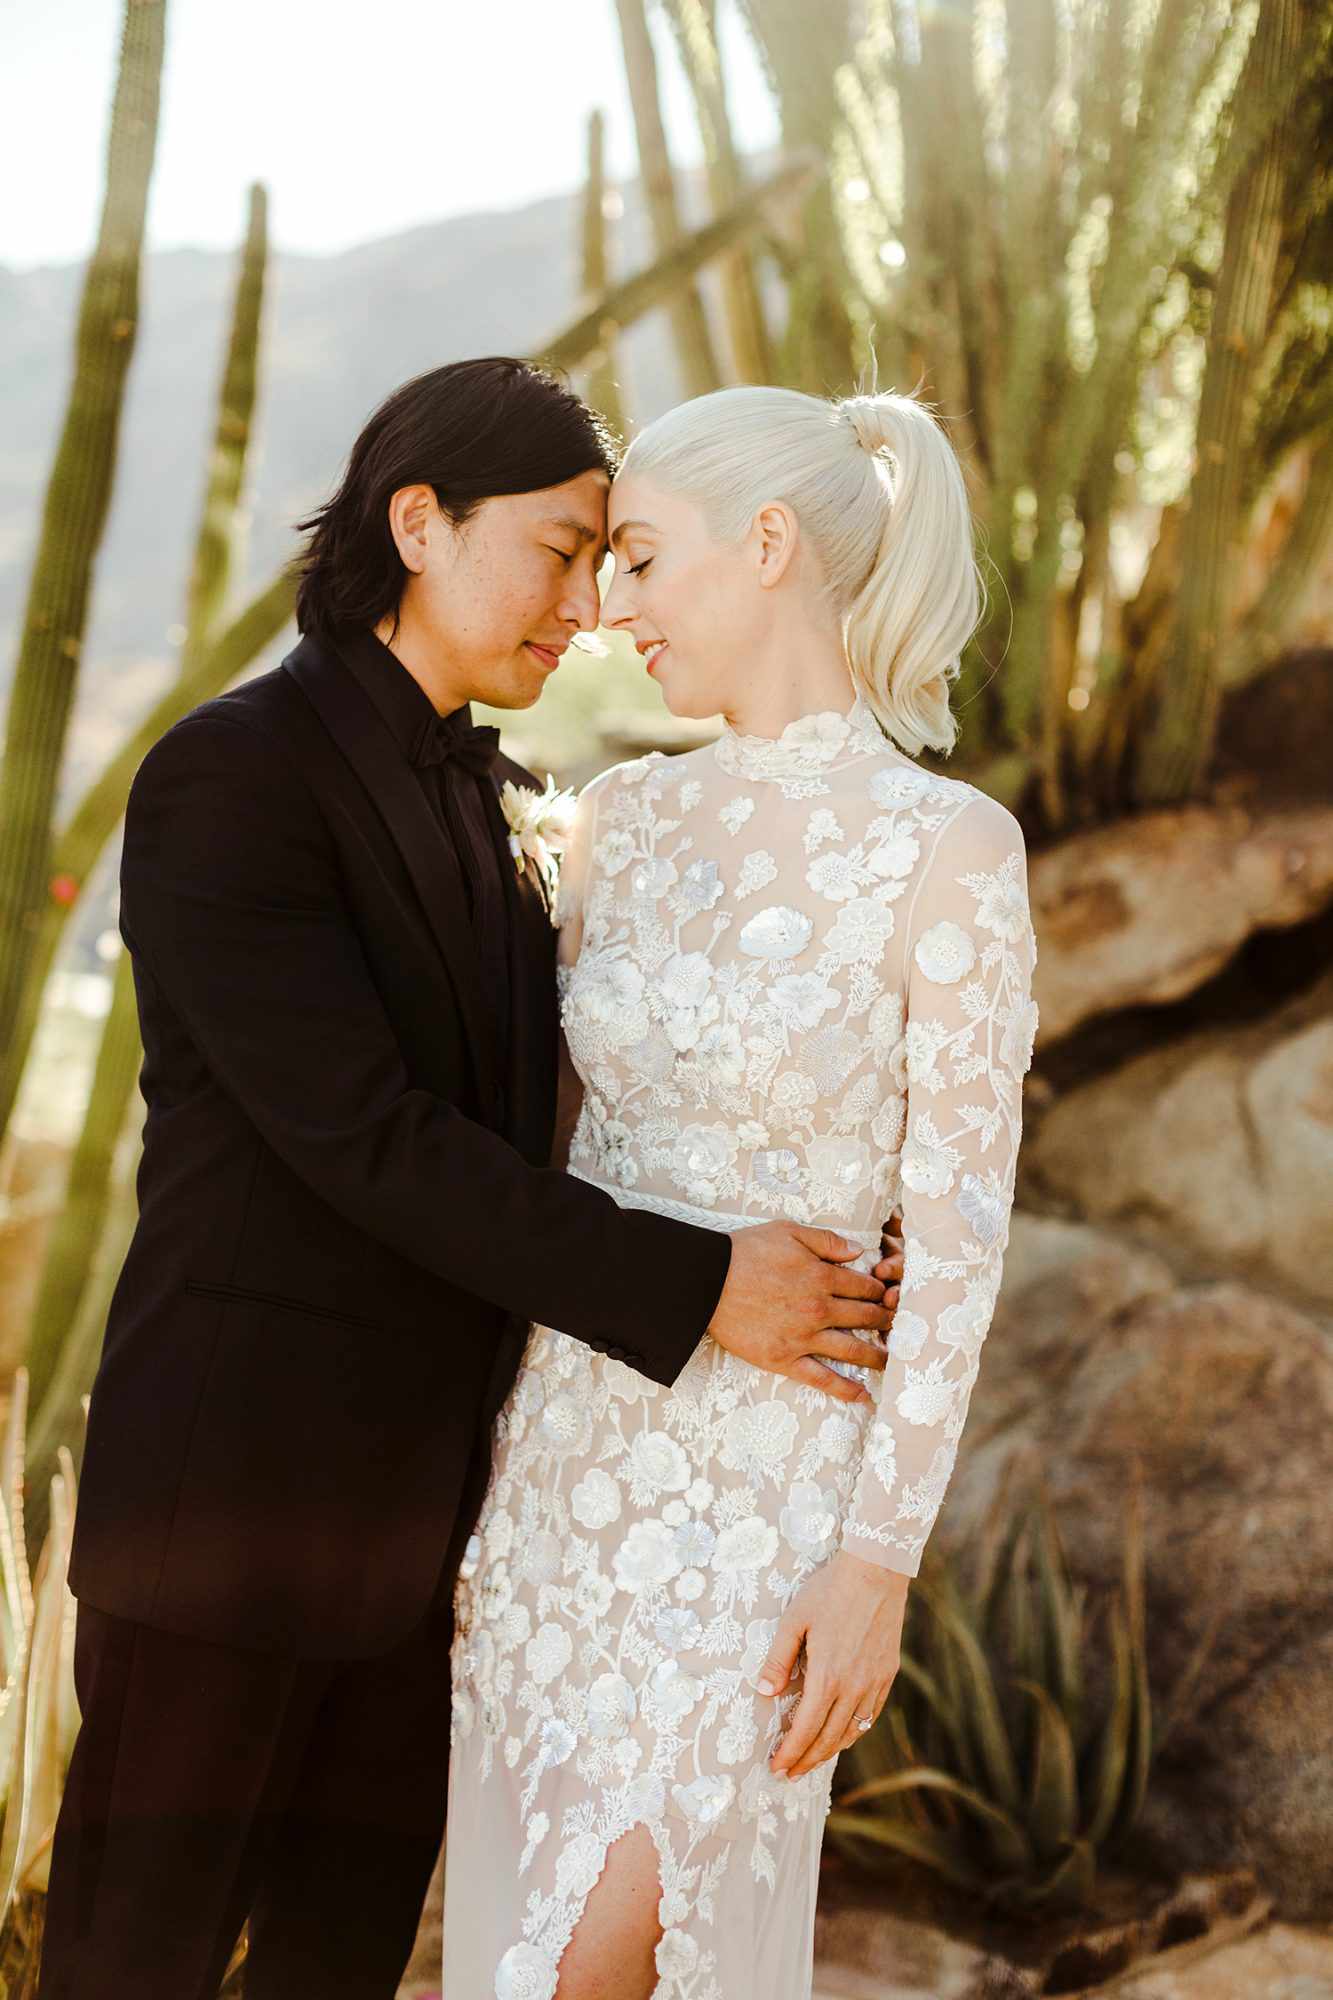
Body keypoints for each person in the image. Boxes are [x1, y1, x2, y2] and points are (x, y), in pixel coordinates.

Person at [38, 359, 902, 2000]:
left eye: (608, 564)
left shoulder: (509, 804)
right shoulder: (230, 776)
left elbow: (572, 1113)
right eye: (559, 551)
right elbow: (364, 1139)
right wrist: (707, 1285)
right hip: (224, 1516)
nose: (584, 607)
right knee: (124, 1971)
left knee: (336, 1972)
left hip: (440, 1533)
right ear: (417, 522)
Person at [441, 382, 1040, 2000]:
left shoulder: (947, 852)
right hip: (565, 1464)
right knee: (526, 1956)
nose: (606, 608)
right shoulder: (619, 823)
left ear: (768, 545)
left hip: (767, 1507)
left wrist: (875, 1565)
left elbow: (961, 1242)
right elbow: (537, 1152)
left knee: (589, 1964)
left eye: (640, 559)